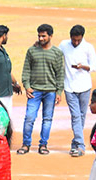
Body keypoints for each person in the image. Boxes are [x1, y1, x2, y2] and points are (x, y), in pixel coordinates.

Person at [18, 25, 65, 155]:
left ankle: (43, 144)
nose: (41, 38)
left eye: (44, 36)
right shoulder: (32, 51)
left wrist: (59, 92)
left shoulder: (57, 53)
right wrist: (27, 86)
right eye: (39, 35)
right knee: (29, 118)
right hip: (34, 91)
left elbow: (60, 73)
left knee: (47, 119)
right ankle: (26, 144)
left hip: (51, 91)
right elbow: (26, 69)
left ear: (51, 36)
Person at [59, 26, 96, 158]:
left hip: (85, 86)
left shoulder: (88, 47)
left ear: (82, 37)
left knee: (82, 116)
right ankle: (81, 146)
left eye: (78, 40)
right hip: (69, 87)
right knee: (76, 116)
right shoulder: (64, 45)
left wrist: (83, 67)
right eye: (74, 40)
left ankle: (75, 142)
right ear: (70, 37)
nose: (76, 42)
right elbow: (55, 56)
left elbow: (95, 66)